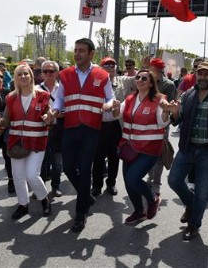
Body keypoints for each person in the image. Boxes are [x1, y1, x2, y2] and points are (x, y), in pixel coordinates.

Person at [44, 38, 116, 233]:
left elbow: (110, 96)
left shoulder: (102, 75)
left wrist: (110, 104)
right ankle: (86, 196)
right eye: (75, 50)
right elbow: (59, 99)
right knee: (68, 167)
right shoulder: (65, 74)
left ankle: (80, 212)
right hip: (70, 127)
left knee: (85, 170)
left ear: (91, 53)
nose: (77, 54)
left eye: (81, 50)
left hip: (91, 128)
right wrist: (55, 110)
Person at [167, 61, 208, 240]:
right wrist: (174, 112)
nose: (202, 77)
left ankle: (194, 224)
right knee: (173, 180)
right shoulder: (188, 94)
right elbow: (177, 120)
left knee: (203, 192)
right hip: (187, 148)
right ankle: (190, 204)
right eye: (200, 73)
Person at [113, 69, 169, 224]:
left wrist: (165, 111)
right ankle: (139, 211)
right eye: (138, 77)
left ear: (151, 83)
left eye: (144, 78)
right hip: (129, 147)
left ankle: (152, 200)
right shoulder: (130, 98)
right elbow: (117, 115)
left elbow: (163, 123)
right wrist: (115, 107)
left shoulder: (159, 99)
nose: (140, 80)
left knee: (133, 178)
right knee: (128, 182)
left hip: (149, 148)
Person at [0, 63, 51, 220]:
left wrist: (49, 118)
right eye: (19, 74)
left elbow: (49, 117)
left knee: (32, 175)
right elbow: (5, 120)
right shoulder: (11, 97)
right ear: (15, 78)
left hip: (37, 143)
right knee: (18, 176)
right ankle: (23, 205)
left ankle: (44, 200)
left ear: (31, 76)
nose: (23, 76)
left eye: (26, 73)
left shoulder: (43, 95)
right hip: (17, 143)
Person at [92, 57, 135, 197]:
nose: (110, 67)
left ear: (116, 67)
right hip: (98, 125)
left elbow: (139, 78)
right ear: (101, 67)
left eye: (112, 64)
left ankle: (111, 184)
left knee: (114, 157)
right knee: (98, 157)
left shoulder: (124, 81)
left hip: (116, 125)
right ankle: (97, 185)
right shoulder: (95, 83)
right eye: (106, 64)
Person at [146, 58, 176, 196]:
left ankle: (156, 183)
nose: (148, 70)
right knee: (147, 153)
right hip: (145, 124)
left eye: (150, 68)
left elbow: (168, 107)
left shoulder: (168, 85)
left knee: (158, 154)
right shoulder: (146, 81)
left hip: (161, 123)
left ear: (157, 70)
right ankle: (150, 177)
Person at [36, 60, 63, 197]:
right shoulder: (36, 89)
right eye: (45, 71)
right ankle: (40, 188)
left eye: (51, 71)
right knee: (41, 161)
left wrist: (61, 113)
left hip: (59, 128)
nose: (48, 74)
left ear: (57, 73)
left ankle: (56, 186)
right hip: (42, 128)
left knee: (57, 162)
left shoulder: (63, 89)